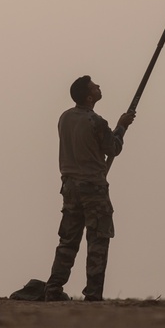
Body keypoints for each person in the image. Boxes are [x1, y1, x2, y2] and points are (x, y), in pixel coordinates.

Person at [43, 75, 135, 302]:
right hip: (93, 188)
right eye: (95, 86)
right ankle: (93, 294)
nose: (99, 86)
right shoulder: (97, 122)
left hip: (70, 188)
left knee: (68, 241)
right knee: (98, 240)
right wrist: (122, 127)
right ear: (89, 96)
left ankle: (53, 290)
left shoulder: (64, 118)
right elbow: (112, 148)